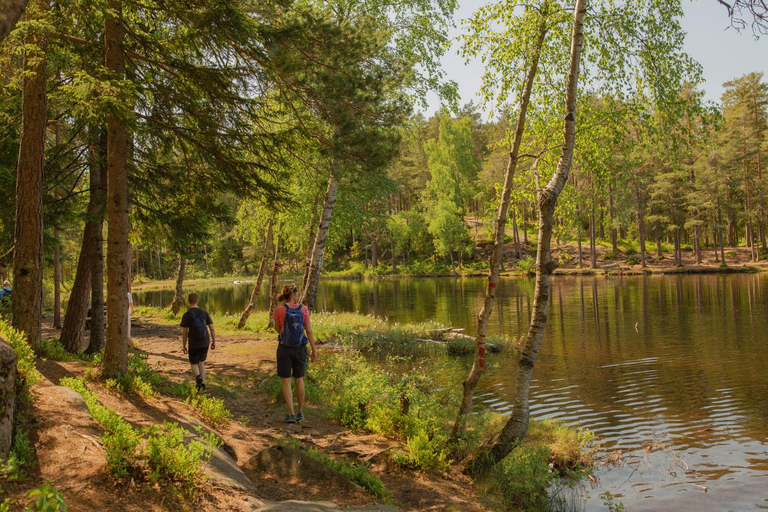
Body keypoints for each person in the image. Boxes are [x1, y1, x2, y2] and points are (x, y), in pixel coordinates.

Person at [273, 284, 317, 424]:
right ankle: (300, 413)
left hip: (284, 349)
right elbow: (308, 331)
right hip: (300, 348)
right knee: (299, 379)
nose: (298, 296)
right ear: (293, 294)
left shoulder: (279, 310)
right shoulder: (303, 309)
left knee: (286, 380)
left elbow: (278, 329)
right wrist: (314, 350)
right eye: (297, 294)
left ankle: (291, 414)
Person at [180, 293, 216, 391]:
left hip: (193, 343)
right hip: (205, 341)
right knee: (201, 362)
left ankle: (198, 377)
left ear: (188, 301)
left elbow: (185, 332)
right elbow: (212, 329)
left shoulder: (187, 315)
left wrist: (184, 345)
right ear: (198, 301)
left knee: (193, 363)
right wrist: (214, 342)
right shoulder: (204, 313)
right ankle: (203, 384)